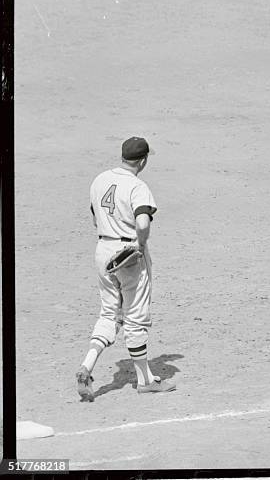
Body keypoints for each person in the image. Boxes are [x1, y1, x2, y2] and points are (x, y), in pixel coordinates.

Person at [76, 136, 176, 402]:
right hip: (129, 254)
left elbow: (95, 216)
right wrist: (140, 245)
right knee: (135, 316)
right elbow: (142, 223)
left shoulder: (99, 180)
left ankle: (87, 363)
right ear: (142, 161)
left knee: (109, 312)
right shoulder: (138, 186)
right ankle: (145, 380)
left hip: (103, 250)